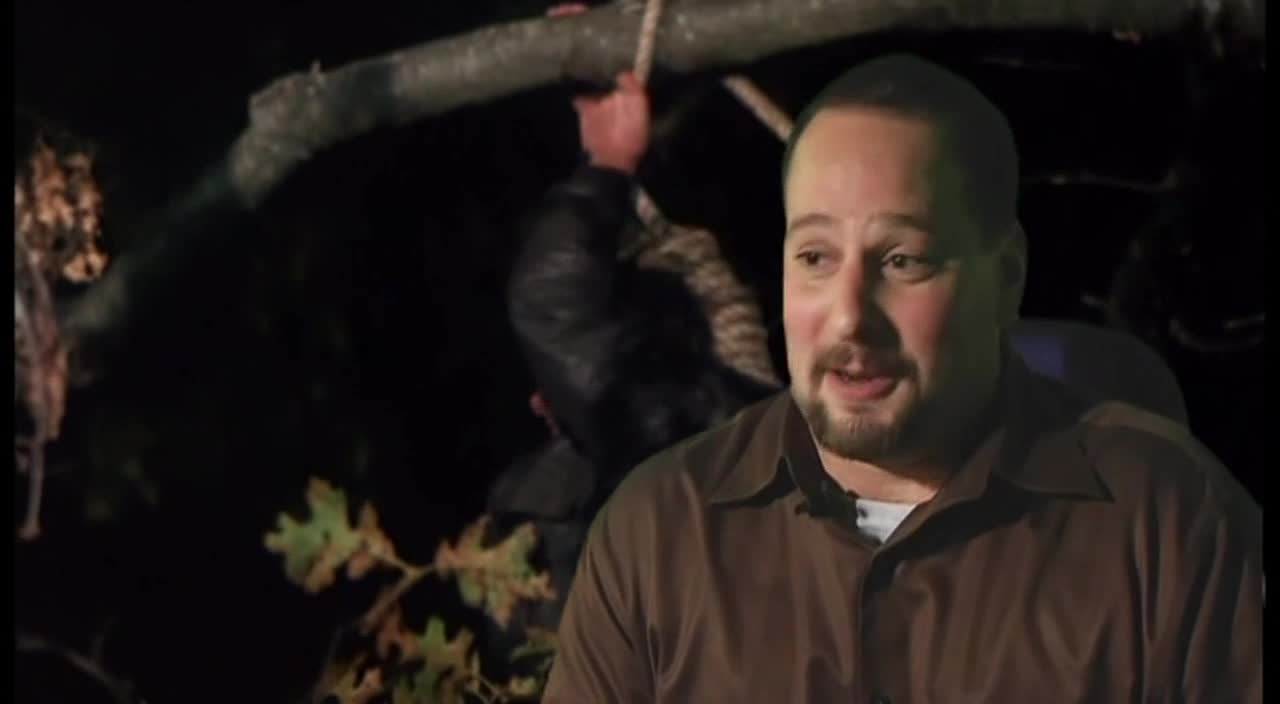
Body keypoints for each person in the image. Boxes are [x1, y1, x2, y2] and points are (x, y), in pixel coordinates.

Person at [543, 53, 1262, 703]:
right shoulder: (662, 531)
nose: (850, 318)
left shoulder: (1163, 519)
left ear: (1004, 277)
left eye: (903, 261)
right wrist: (604, 165)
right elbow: (555, 314)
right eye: (816, 258)